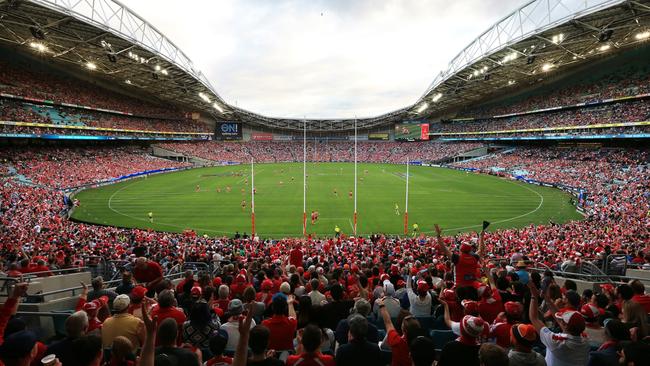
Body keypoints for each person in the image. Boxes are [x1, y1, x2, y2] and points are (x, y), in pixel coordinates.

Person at [528, 281, 590, 366]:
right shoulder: (585, 340)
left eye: (562, 321)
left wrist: (533, 295)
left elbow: (534, 318)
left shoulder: (557, 343)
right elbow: (560, 321)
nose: (560, 321)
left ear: (565, 326)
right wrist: (547, 300)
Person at [377, 297, 421, 366]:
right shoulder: (424, 343)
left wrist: (382, 305)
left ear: (403, 330)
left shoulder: (397, 341)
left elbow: (388, 322)